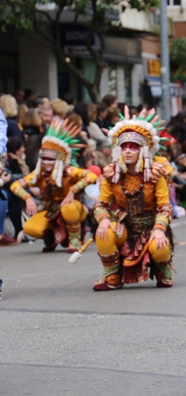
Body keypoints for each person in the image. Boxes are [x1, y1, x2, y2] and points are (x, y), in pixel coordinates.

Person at [92, 108, 173, 291]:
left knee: (159, 246)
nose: (127, 151)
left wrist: (159, 230)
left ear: (143, 150)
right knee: (103, 232)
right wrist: (104, 219)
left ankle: (162, 266)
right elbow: (100, 204)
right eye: (124, 146)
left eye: (133, 147)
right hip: (126, 228)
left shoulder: (155, 174)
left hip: (152, 226)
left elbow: (165, 208)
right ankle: (112, 274)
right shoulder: (111, 174)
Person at [10, 120, 96, 252]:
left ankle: (75, 239)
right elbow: (15, 185)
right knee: (30, 228)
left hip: (73, 208)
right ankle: (50, 236)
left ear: (60, 159)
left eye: (50, 159)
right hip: (50, 209)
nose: (46, 162)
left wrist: (73, 190)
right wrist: (27, 197)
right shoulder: (39, 174)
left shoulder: (70, 171)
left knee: (68, 207)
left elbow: (91, 176)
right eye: (43, 158)